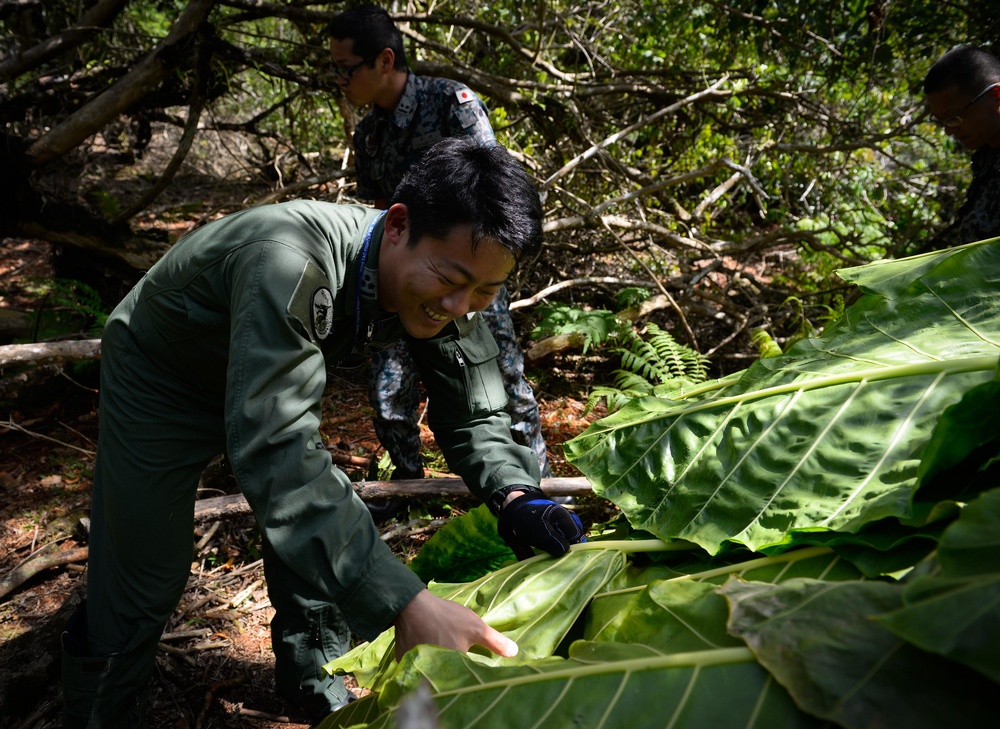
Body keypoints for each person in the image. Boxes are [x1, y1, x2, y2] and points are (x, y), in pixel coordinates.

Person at [61, 138, 585, 728]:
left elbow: (476, 410)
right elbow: (277, 453)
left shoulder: (453, 282)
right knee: (145, 571)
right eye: (452, 280)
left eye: (487, 292)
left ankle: (313, 678)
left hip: (265, 374)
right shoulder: (288, 262)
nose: (462, 306)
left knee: (319, 519)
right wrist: (404, 603)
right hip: (167, 375)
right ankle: (97, 708)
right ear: (398, 225)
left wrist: (518, 495)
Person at [328, 5, 552, 484]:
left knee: (501, 385)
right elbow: (382, 213)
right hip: (405, 276)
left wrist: (472, 285)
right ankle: (411, 485)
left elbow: (492, 195)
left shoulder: (451, 101)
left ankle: (537, 487)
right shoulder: (369, 134)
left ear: (384, 61)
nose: (339, 80)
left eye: (346, 68)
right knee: (389, 396)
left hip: (467, 274)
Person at [923, 46, 1000, 246]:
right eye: (942, 121)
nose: (949, 131)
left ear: (997, 96)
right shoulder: (986, 155)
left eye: (954, 117)